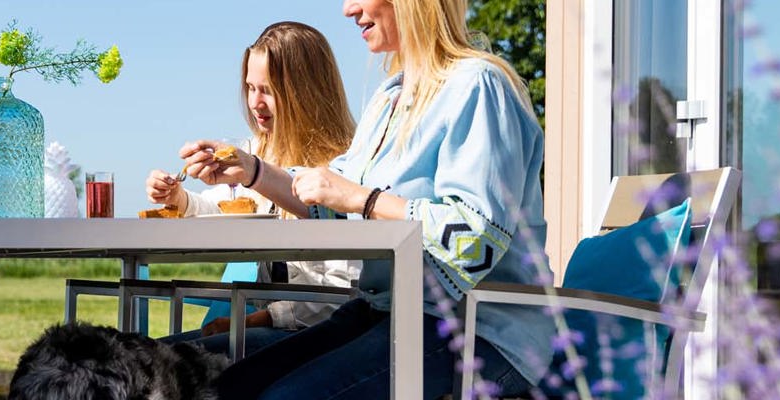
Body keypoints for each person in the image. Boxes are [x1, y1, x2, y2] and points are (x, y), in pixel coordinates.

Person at [181, 0, 552, 398]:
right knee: (228, 386)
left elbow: (474, 239)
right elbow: (332, 194)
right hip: (388, 312)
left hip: (480, 332)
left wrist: (364, 199)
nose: (348, 8)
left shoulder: (478, 85)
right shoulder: (391, 97)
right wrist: (252, 171)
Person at [145, 21, 362, 356]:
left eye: (268, 90)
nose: (255, 103)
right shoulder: (257, 154)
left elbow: (341, 295)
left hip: (316, 338)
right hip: (271, 325)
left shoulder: (341, 169)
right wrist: (180, 198)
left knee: (169, 361)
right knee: (147, 357)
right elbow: (223, 212)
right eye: (250, 88)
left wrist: (258, 320)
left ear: (306, 92)